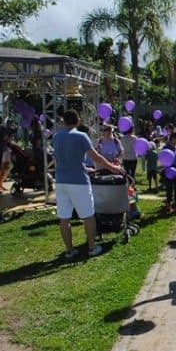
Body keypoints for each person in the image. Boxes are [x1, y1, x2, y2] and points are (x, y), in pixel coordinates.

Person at [52, 110, 123, 258]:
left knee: (64, 218)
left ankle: (69, 250)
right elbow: (96, 157)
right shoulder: (81, 136)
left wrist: (83, 167)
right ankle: (92, 248)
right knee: (88, 216)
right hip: (79, 182)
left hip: (60, 181)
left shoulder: (56, 137)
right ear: (78, 121)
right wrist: (113, 168)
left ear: (63, 121)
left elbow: (63, 159)